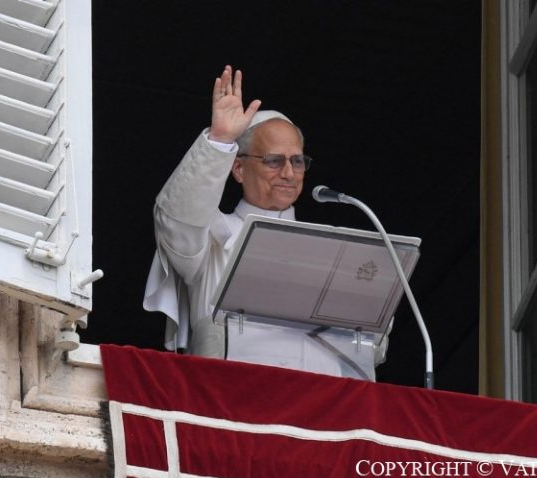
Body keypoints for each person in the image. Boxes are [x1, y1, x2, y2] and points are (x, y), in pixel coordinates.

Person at [143, 65, 387, 380]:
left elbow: (370, 341)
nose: (288, 173)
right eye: (274, 161)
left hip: (323, 402)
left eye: (297, 161)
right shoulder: (214, 238)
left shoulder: (332, 252)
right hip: (230, 396)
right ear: (239, 169)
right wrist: (219, 141)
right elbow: (177, 217)